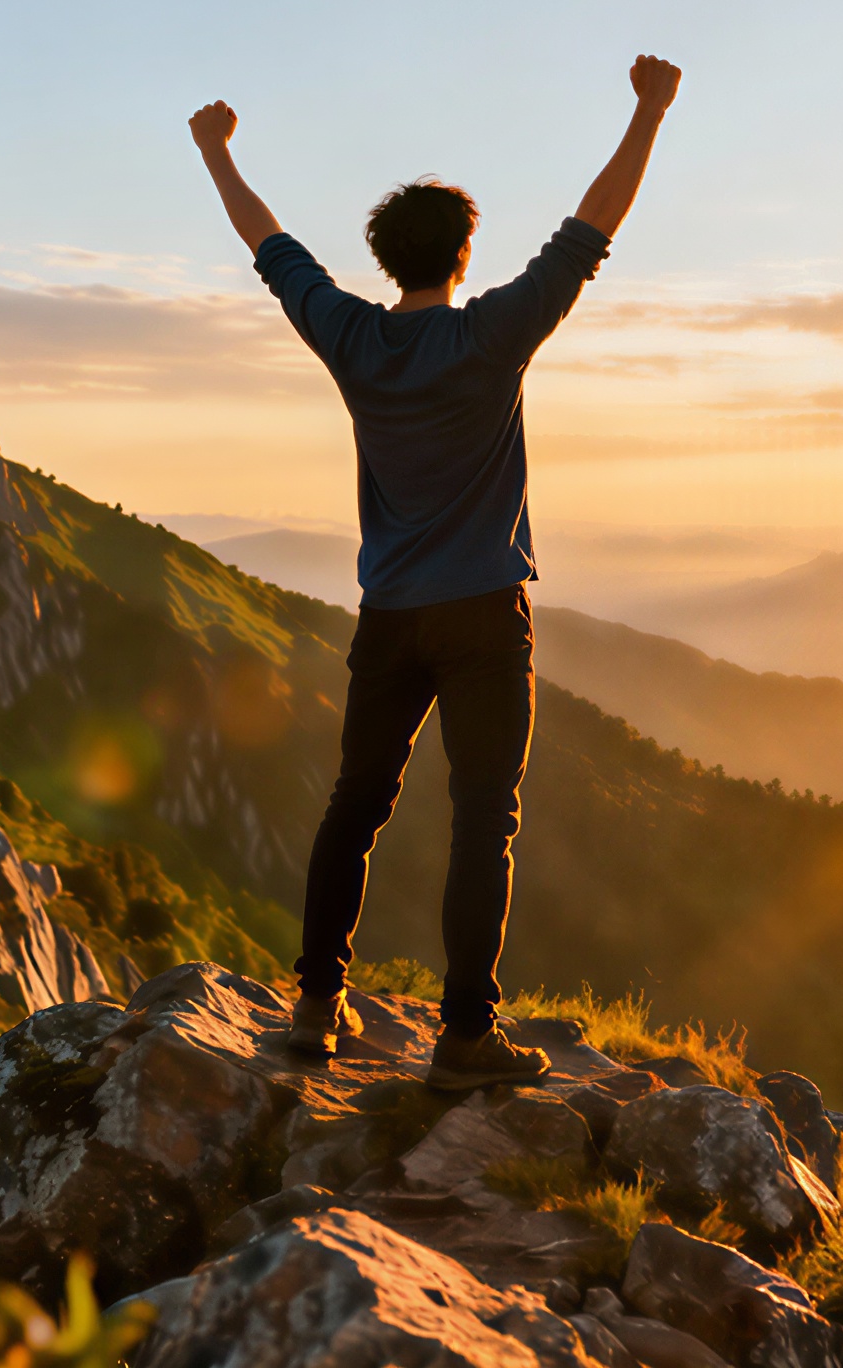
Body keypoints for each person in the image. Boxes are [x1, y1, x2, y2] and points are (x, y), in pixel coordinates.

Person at [190, 54, 682, 1090]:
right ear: (464, 254)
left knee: (353, 806)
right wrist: (648, 110)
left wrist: (215, 152)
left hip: (391, 615)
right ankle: (464, 1039)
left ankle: (315, 1007)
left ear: (383, 259)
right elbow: (594, 225)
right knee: (481, 822)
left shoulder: (351, 338)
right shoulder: (495, 332)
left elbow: (268, 245)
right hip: (485, 618)